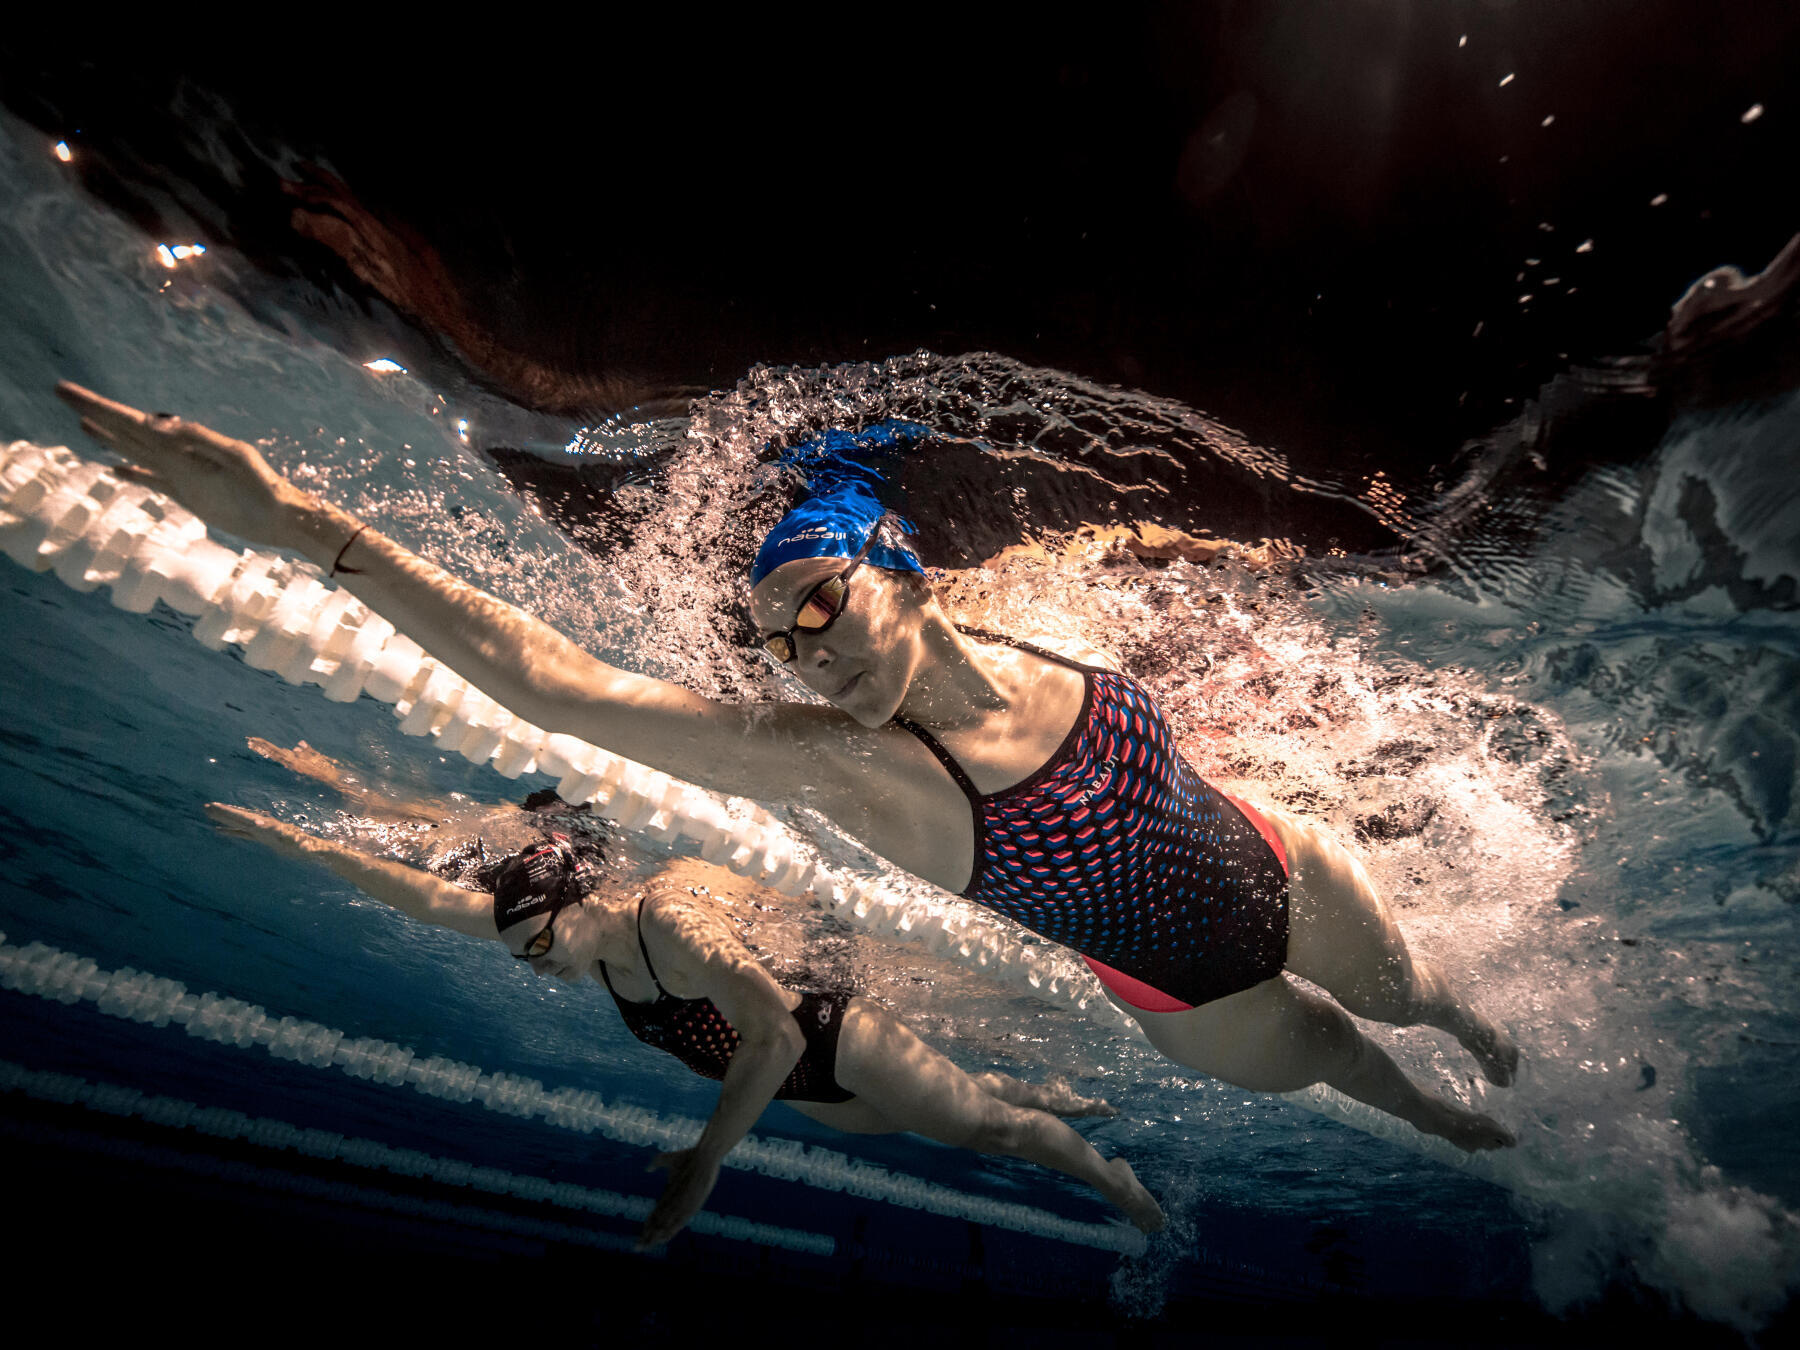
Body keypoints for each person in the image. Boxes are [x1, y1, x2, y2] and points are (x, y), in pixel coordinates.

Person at [60, 381, 1518, 1153]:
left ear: (904, 573)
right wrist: (304, 521)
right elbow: (551, 683)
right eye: (773, 641)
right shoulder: (848, 771)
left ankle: (1498, 1050)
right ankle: (1501, 1144)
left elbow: (1123, 549)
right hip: (1186, 997)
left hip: (1284, 857)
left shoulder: (1032, 613)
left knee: (1433, 998)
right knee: (1389, 1085)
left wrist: (1243, 543)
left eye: (816, 605)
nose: (802, 653)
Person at [205, 744, 1165, 1244]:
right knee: (944, 1112)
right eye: (520, 950)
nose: (530, 963)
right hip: (802, 1094)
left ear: (578, 905)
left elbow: (778, 1037)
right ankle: (1032, 1090)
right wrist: (302, 844)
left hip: (825, 1040)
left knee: (987, 1132)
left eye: (537, 943)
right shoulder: (554, 934)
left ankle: (1120, 1188)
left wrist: (708, 1164)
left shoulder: (668, 921)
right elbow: (420, 897)